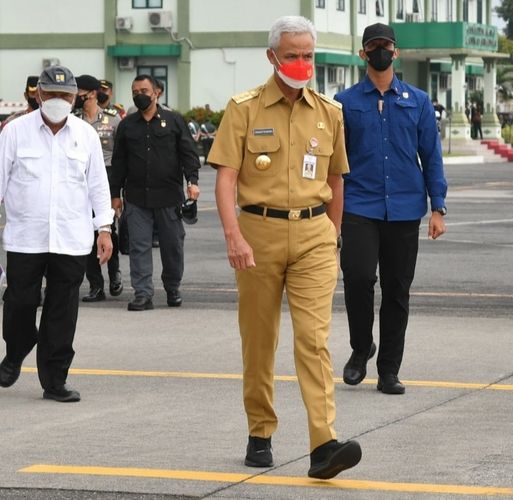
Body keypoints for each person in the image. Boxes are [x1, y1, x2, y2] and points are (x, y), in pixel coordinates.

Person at [208, 15, 361, 479]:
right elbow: (226, 176)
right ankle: (260, 430)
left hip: (314, 235)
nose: (301, 63)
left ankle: (323, 444)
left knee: (314, 341)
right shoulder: (245, 108)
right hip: (258, 233)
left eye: (308, 54)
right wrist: (233, 234)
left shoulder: (328, 112)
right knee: (260, 340)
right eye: (292, 55)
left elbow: (336, 179)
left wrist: (332, 236)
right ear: (273, 57)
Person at [334, 23, 447, 395]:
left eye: (386, 46)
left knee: (397, 290)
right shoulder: (345, 102)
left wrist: (438, 207)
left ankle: (388, 370)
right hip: (358, 206)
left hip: (403, 208)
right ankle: (361, 346)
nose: (380, 52)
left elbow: (431, 156)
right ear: (363, 54)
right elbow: (335, 161)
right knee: (358, 278)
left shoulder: (417, 101)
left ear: (395, 53)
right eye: (373, 47)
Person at [0, 66, 114, 402]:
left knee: (63, 310)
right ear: (38, 95)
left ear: (75, 97)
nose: (58, 101)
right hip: (26, 237)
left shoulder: (85, 135)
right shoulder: (14, 132)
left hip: (71, 237)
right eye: (51, 95)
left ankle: (55, 379)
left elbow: (98, 186)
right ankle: (17, 349)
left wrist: (104, 228)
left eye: (65, 96)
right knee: (19, 302)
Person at [110, 74, 201, 311]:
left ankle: (172, 287)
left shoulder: (173, 121)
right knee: (139, 245)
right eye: (135, 91)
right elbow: (118, 162)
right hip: (137, 197)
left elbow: (189, 154)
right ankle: (143, 294)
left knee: (173, 245)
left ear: (156, 93)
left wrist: (192, 181)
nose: (139, 95)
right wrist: (115, 194)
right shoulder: (127, 125)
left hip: (169, 197)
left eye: (143, 90)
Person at [74, 74, 123, 303]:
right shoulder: (73, 119)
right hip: (81, 182)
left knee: (107, 231)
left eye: (80, 91)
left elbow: (122, 156)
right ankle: (96, 285)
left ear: (92, 94)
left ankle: (115, 275)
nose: (76, 95)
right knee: (87, 235)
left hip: (108, 178)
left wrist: (117, 193)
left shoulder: (113, 120)